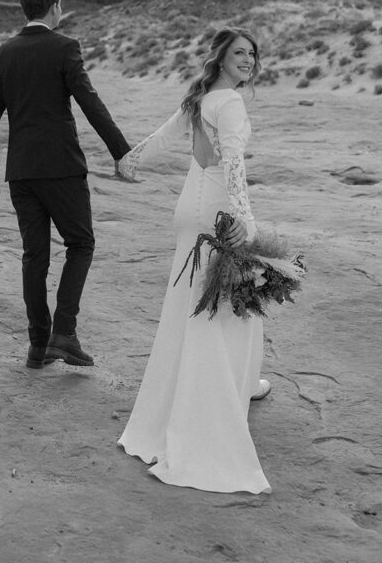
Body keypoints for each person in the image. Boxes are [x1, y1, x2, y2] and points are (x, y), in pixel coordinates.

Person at [116, 27, 272, 494]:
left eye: (252, 54)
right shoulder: (230, 103)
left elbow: (164, 137)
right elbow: (232, 159)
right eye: (239, 53)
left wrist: (131, 159)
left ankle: (234, 387)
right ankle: (218, 400)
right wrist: (246, 218)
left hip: (190, 209)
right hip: (220, 212)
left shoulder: (201, 97)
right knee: (230, 306)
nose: (247, 60)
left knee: (192, 304)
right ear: (221, 57)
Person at [0, 0, 131, 370]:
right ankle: (64, 333)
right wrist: (122, 152)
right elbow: (89, 102)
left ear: (25, 10)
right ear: (55, 7)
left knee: (35, 255)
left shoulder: (1, 54)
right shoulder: (64, 46)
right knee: (80, 244)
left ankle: (37, 345)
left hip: (21, 171)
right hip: (61, 167)